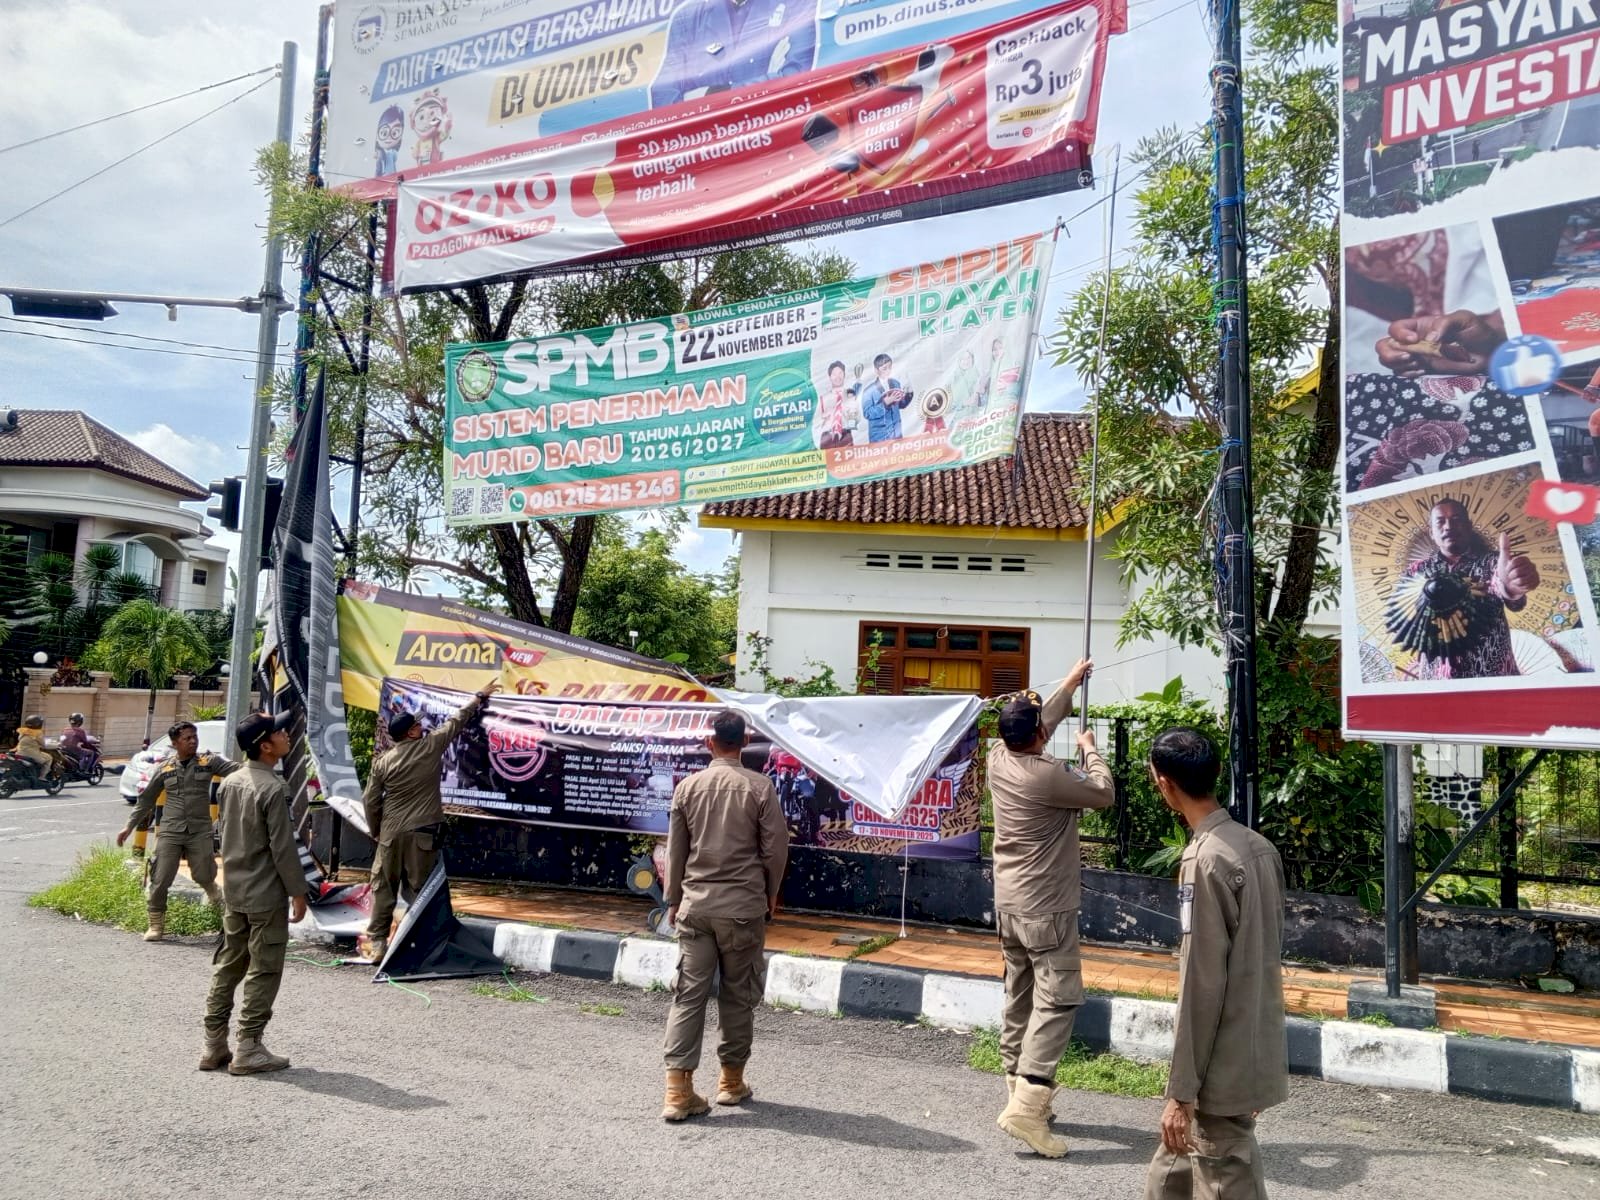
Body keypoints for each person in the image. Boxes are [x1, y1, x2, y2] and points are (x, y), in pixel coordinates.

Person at [1143, 727, 1286, 1200]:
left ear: (1164, 785)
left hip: (1220, 1059)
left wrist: (1181, 1093)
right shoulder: (1256, 846)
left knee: (1220, 1170)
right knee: (1172, 1171)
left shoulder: (1204, 861)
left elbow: (1201, 982)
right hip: (1250, 1041)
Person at [989, 658, 1112, 1157]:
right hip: (1047, 908)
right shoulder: (1048, 776)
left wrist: (1067, 685)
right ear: (1039, 735)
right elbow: (1102, 793)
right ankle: (1029, 1105)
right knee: (1058, 1000)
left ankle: (1016, 1086)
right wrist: (1091, 752)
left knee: (1019, 994)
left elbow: (1045, 721)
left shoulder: (999, 755)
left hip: (1010, 903)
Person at [660, 709, 789, 1121]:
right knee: (738, 996)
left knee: (688, 997)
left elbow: (675, 851)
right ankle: (730, 1083)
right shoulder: (760, 787)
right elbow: (775, 850)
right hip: (743, 909)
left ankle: (678, 1092)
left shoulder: (687, 788)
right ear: (746, 740)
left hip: (695, 908)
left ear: (709, 742)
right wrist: (771, 895)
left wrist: (672, 900)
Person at [200, 710, 308, 1075]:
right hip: (265, 894)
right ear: (266, 746)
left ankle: (213, 1045)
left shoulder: (230, 782)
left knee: (229, 964)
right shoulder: (273, 788)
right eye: (279, 731)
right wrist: (299, 891)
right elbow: (283, 849)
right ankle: (248, 1047)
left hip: (235, 889)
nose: (286, 735)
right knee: (264, 969)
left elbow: (222, 833)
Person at [360, 682, 499, 960]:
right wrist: (479, 696)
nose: (422, 727)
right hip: (422, 834)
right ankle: (418, 945)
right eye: (417, 725)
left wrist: (376, 831)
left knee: (384, 888)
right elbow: (456, 720)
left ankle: (377, 944)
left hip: (389, 834)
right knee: (420, 891)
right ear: (410, 732)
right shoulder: (429, 746)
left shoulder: (382, 762)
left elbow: (370, 801)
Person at [117, 720, 237, 940]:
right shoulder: (165, 768)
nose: (193, 741)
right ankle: (156, 925)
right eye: (187, 738)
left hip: (199, 830)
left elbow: (236, 771)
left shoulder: (208, 762)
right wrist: (128, 827)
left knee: (203, 873)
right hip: (171, 830)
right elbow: (146, 800)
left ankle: (213, 893)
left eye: (195, 737)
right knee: (160, 877)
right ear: (175, 743)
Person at [1404, 498, 1540, 678]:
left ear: (1468, 526)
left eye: (1456, 520)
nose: (1448, 527)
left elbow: (1503, 588)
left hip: (1492, 675)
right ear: (1431, 532)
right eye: (1440, 522)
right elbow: (1407, 618)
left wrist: (1512, 588)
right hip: (1435, 678)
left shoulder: (1493, 562)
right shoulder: (1416, 571)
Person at [650, 0, 816, 108]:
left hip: (774, 139)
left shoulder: (797, 4)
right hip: (707, 144)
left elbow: (796, 78)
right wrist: (768, 79)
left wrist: (709, 95)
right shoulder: (688, 18)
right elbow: (664, 92)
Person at [861, 353, 913, 443]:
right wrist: (885, 403)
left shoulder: (895, 383)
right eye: (884, 368)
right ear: (876, 371)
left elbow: (901, 405)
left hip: (896, 435)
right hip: (879, 437)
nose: (888, 371)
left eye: (890, 367)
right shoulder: (869, 391)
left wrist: (909, 395)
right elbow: (867, 413)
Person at [816, 360, 858, 450]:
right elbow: (816, 422)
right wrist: (824, 417)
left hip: (845, 435)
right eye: (834, 374)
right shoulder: (823, 398)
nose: (837, 377)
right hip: (827, 437)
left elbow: (855, 419)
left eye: (840, 373)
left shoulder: (850, 395)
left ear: (844, 375)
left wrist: (851, 419)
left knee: (848, 463)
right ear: (830, 377)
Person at [13, 714, 62, 779]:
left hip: (19, 752)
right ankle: (42, 777)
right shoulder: (38, 733)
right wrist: (57, 745)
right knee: (49, 758)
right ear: (39, 724)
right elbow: (44, 745)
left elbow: (23, 740)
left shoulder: (23, 731)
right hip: (31, 754)